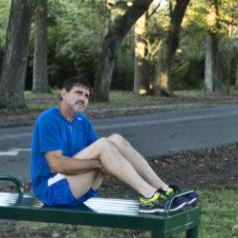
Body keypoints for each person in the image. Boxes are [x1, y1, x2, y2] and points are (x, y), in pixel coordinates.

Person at [30, 76, 195, 212]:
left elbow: (107, 157)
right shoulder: (49, 119)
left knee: (116, 140)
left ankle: (164, 190)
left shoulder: (82, 121)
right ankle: (149, 196)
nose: (82, 98)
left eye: (86, 96)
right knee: (104, 144)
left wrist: (104, 163)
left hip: (80, 187)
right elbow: (56, 165)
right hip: (52, 191)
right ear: (63, 94)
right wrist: (99, 164)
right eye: (78, 93)